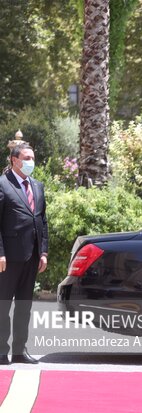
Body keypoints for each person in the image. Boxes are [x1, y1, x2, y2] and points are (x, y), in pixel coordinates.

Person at [0, 143, 49, 364]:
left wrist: (44, 252)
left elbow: (42, 221)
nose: (31, 162)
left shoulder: (37, 186)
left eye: (33, 157)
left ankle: (20, 351)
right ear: (14, 160)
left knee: (24, 306)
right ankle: (2, 351)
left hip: (32, 257)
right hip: (8, 258)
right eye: (27, 158)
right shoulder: (2, 184)